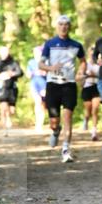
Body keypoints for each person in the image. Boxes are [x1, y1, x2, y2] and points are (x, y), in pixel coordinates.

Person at [39, 15, 86, 163]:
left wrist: (80, 72)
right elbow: (40, 64)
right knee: (54, 120)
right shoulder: (49, 44)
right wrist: (50, 67)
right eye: (61, 24)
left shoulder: (76, 45)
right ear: (57, 26)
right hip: (53, 84)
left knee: (67, 116)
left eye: (66, 24)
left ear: (69, 27)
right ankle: (55, 130)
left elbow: (83, 61)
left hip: (69, 85)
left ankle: (66, 148)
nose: (64, 27)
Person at [0, 46, 23, 134]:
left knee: (11, 109)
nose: (4, 54)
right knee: (3, 106)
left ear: (8, 52)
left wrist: (11, 74)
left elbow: (20, 72)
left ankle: (8, 117)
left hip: (12, 87)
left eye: (6, 52)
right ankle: (4, 127)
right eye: (2, 52)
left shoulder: (14, 62)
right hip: (2, 87)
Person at [26, 45, 47, 133]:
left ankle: (41, 123)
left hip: (44, 85)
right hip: (34, 85)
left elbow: (49, 72)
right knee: (38, 102)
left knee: (43, 105)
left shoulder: (45, 62)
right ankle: (38, 124)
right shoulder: (31, 62)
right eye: (34, 53)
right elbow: (28, 75)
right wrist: (32, 73)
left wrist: (43, 72)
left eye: (37, 52)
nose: (36, 54)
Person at [81, 51, 101, 139]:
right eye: (91, 53)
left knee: (95, 110)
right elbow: (78, 76)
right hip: (87, 87)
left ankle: (94, 131)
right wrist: (86, 75)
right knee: (88, 110)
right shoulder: (85, 65)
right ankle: (86, 119)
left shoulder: (100, 64)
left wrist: (95, 75)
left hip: (97, 87)